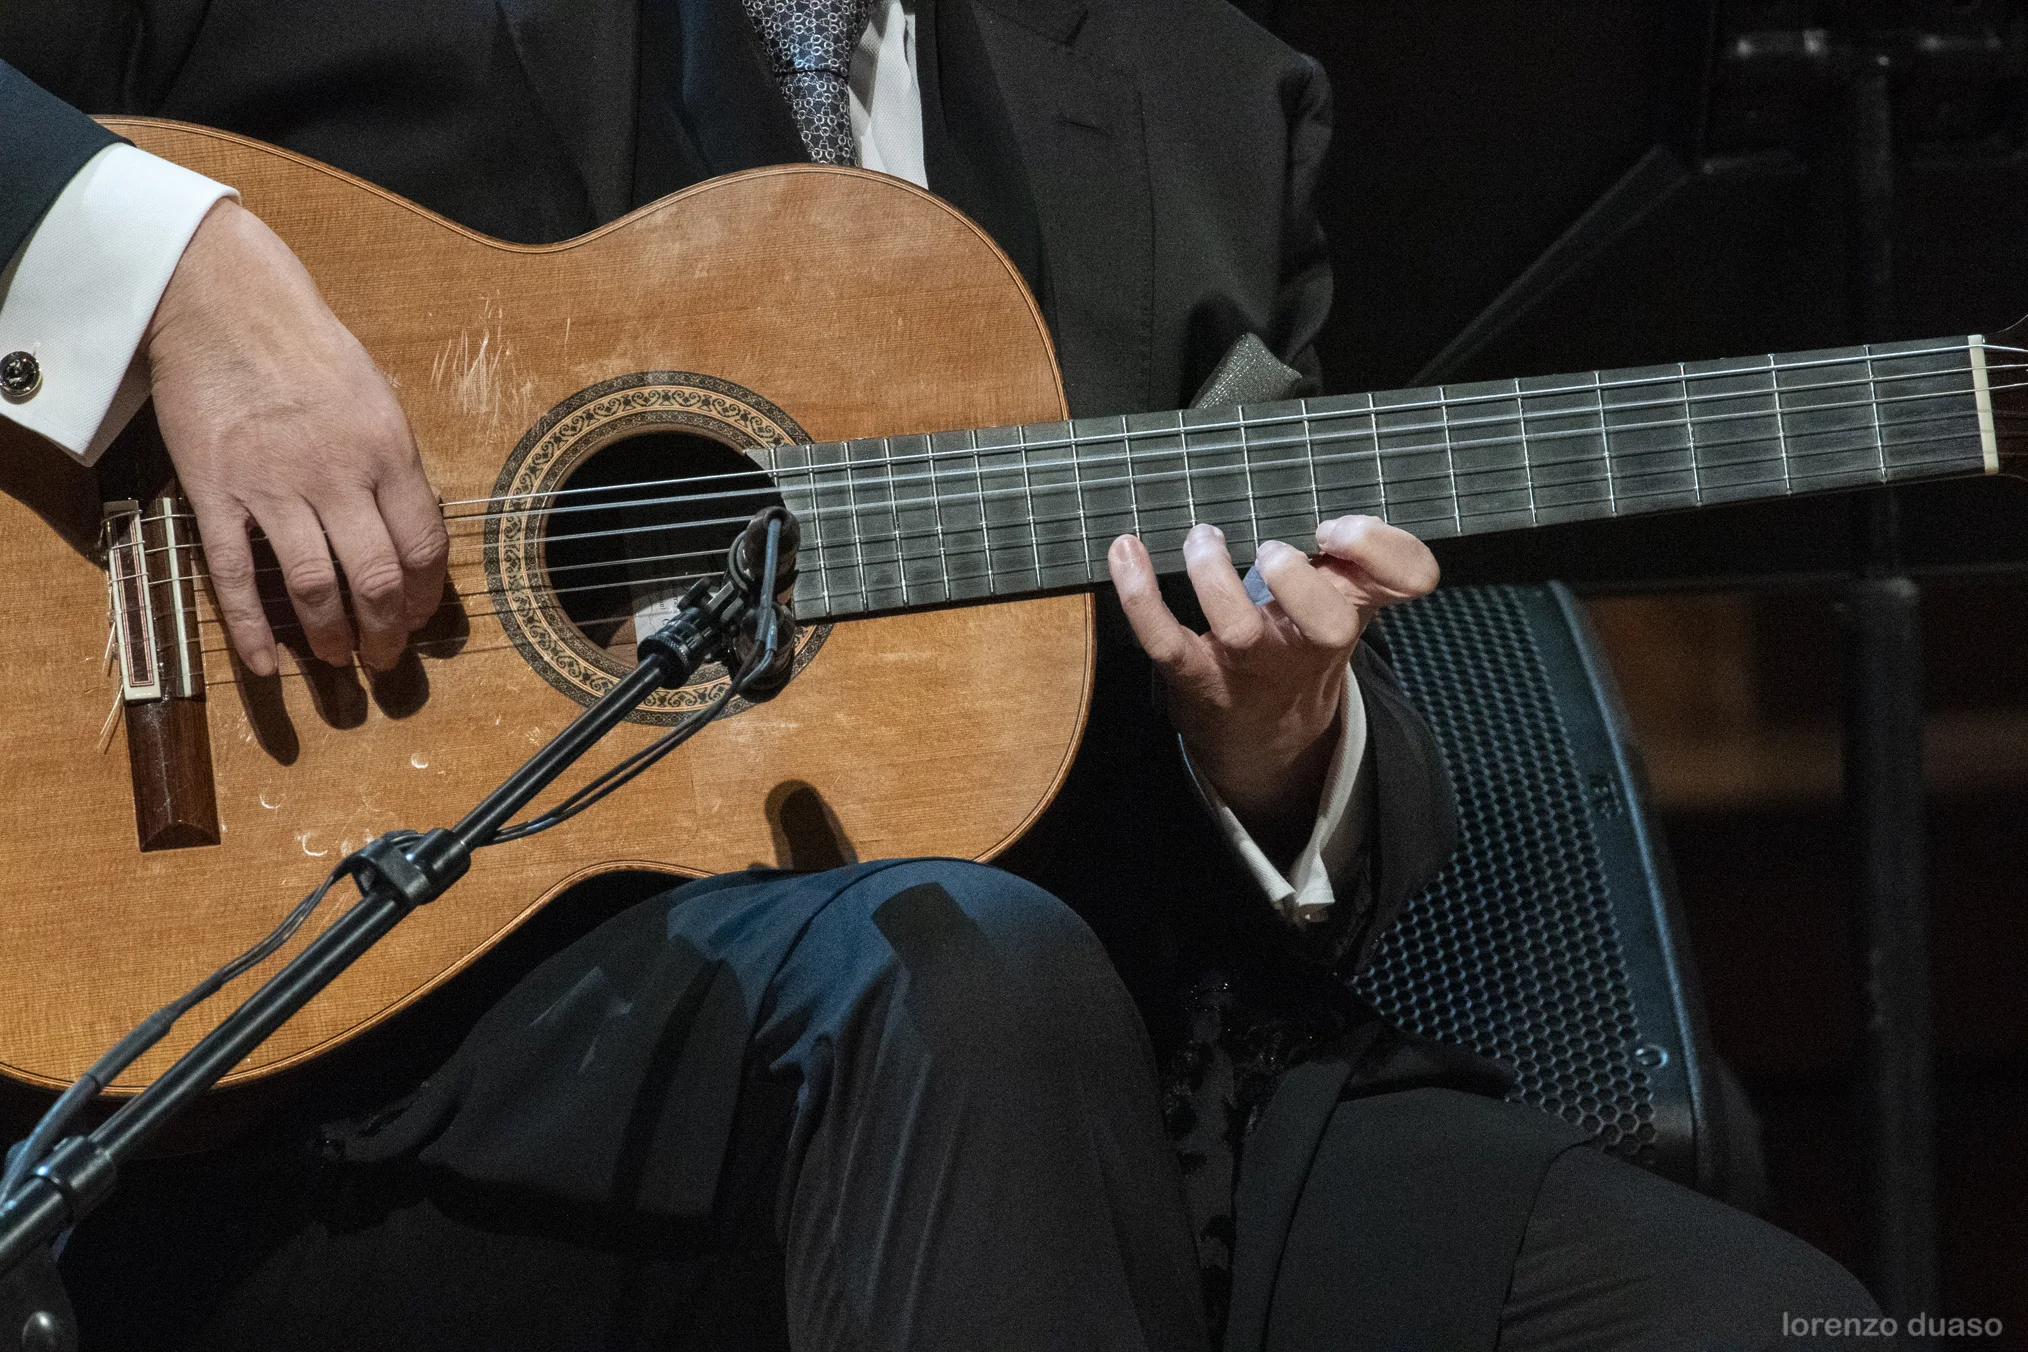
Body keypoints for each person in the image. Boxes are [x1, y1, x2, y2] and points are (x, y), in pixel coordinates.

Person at [0, 2, 1879, 1347]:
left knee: (1770, 1314)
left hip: (1123, 1065)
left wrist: (1279, 754)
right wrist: (182, 284)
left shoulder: (1214, 89)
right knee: (968, 986)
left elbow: (1324, 774)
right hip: (393, 1070)